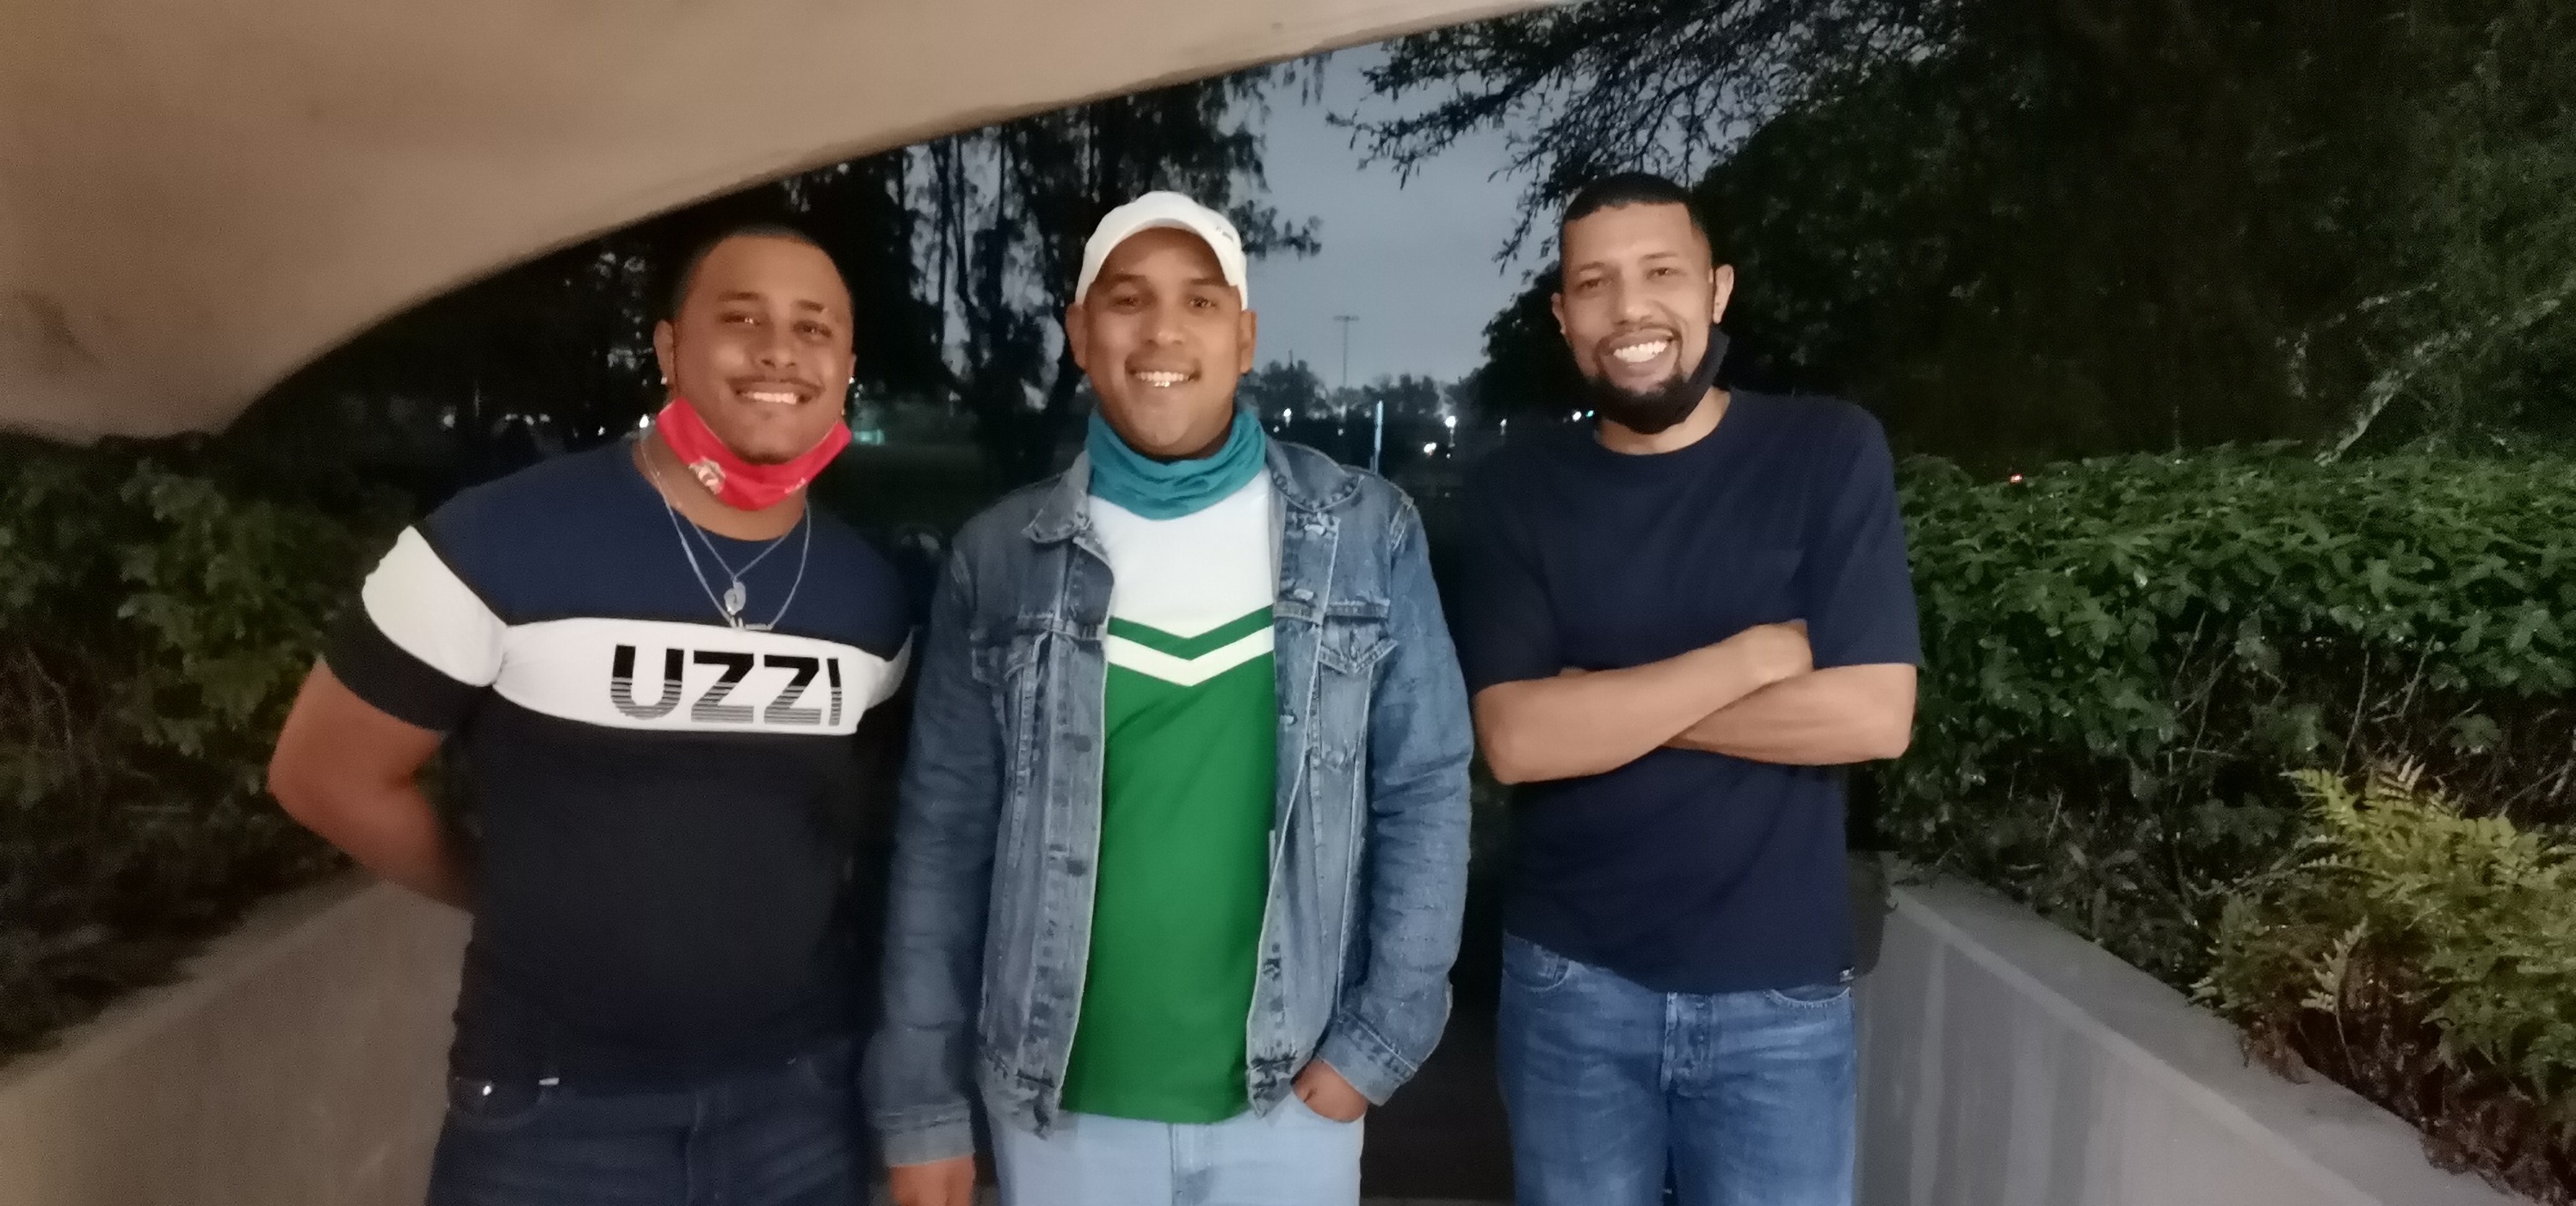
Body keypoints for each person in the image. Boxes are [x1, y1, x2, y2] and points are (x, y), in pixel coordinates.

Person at [267, 224, 914, 1206]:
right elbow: (325, 776)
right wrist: (502, 887)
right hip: (553, 1116)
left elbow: (855, 826)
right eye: (742, 319)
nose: (780, 352)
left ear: (846, 367)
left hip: (798, 1105)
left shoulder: (871, 596)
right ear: (669, 349)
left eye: (813, 328)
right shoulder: (495, 541)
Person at [868, 191, 1473, 1206]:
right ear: (1079, 334)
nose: (1161, 330)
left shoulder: (1363, 532)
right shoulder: (999, 557)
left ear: (1243, 337)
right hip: (1059, 1110)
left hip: (1292, 1102)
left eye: (1199, 301)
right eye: (1127, 300)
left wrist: (1380, 1036)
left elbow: (1425, 787)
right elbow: (942, 839)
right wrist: (922, 1102)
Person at [1455, 171, 1922, 1206]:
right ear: (1563, 316)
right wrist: (1749, 657)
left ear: (1716, 290)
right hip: (1572, 987)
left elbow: (1872, 715)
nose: (1629, 309)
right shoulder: (1517, 490)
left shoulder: (1825, 451)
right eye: (1594, 284)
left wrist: (1604, 704)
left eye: (1660, 273)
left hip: (1779, 999)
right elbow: (1517, 741)